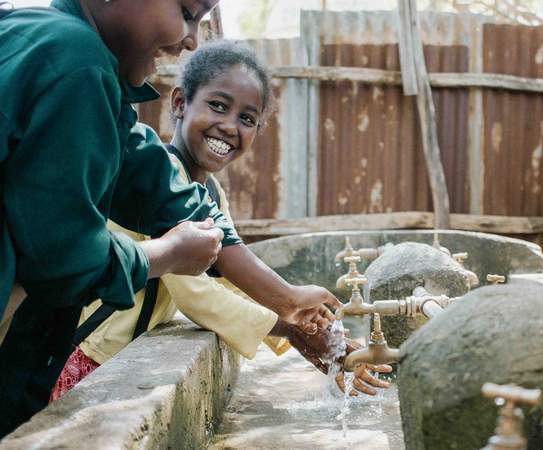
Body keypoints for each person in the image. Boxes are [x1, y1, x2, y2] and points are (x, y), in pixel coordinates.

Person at [0, 0, 339, 436]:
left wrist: (289, 300)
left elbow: (169, 192)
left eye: (247, 118)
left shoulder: (71, 57)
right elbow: (65, 260)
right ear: (180, 104)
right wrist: (169, 253)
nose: (192, 38)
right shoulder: (78, 62)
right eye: (186, 10)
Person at [50, 40, 391, 402]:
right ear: (179, 103)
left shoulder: (211, 191)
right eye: (217, 106)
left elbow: (227, 279)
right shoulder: (158, 179)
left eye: (246, 119)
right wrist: (290, 328)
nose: (230, 126)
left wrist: (309, 327)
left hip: (117, 355)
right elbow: (194, 293)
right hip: (87, 352)